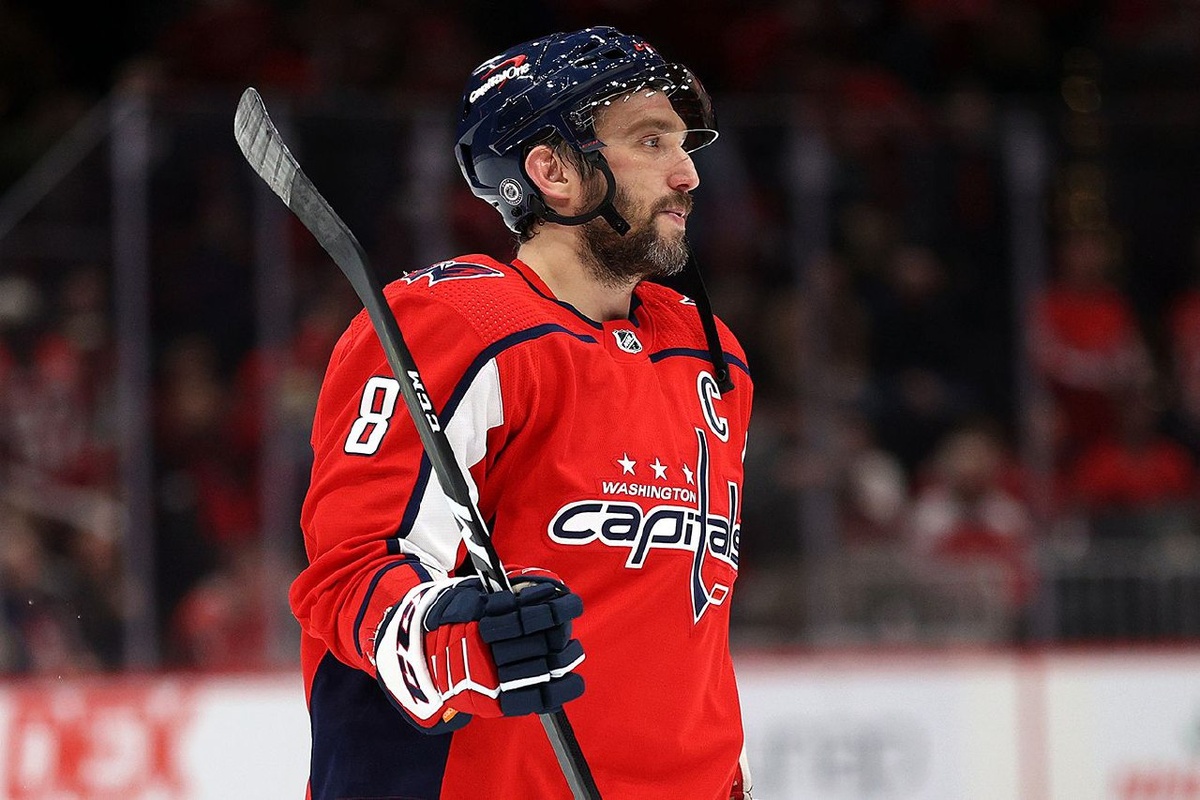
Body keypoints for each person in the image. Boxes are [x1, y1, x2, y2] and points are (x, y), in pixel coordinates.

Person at [290, 27, 755, 800]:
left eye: (683, 145)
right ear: (553, 171)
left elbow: (686, 621)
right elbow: (349, 572)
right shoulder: (457, 325)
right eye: (651, 141)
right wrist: (452, 641)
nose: (687, 174)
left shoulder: (710, 353)